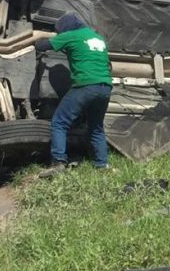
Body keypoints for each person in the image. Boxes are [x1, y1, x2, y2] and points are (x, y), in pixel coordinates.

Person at [35, 14, 112, 176]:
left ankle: (58, 162)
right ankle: (102, 165)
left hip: (85, 85)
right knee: (96, 127)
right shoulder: (98, 38)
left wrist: (36, 38)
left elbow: (41, 46)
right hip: (105, 87)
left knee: (59, 122)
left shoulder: (71, 35)